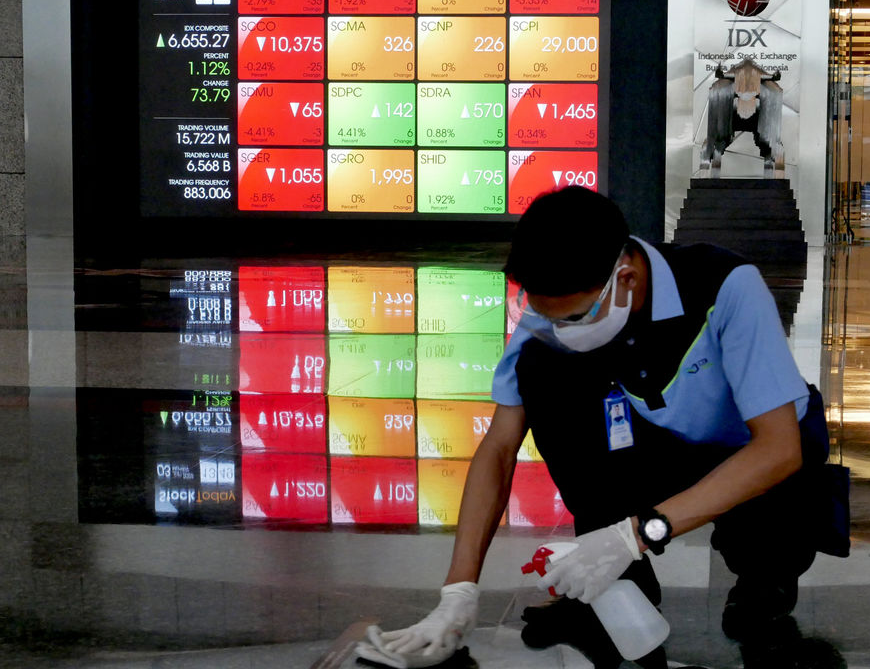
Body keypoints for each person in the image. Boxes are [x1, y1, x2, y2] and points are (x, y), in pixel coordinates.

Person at [356, 186, 845, 669]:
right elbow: (500, 447)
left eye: (572, 317)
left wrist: (636, 533)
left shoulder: (725, 284)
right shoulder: (550, 318)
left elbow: (778, 449)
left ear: (626, 279)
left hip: (758, 455)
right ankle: (619, 583)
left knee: (776, 525)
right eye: (548, 318)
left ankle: (765, 575)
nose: (559, 329)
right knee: (544, 372)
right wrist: (458, 593)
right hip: (661, 442)